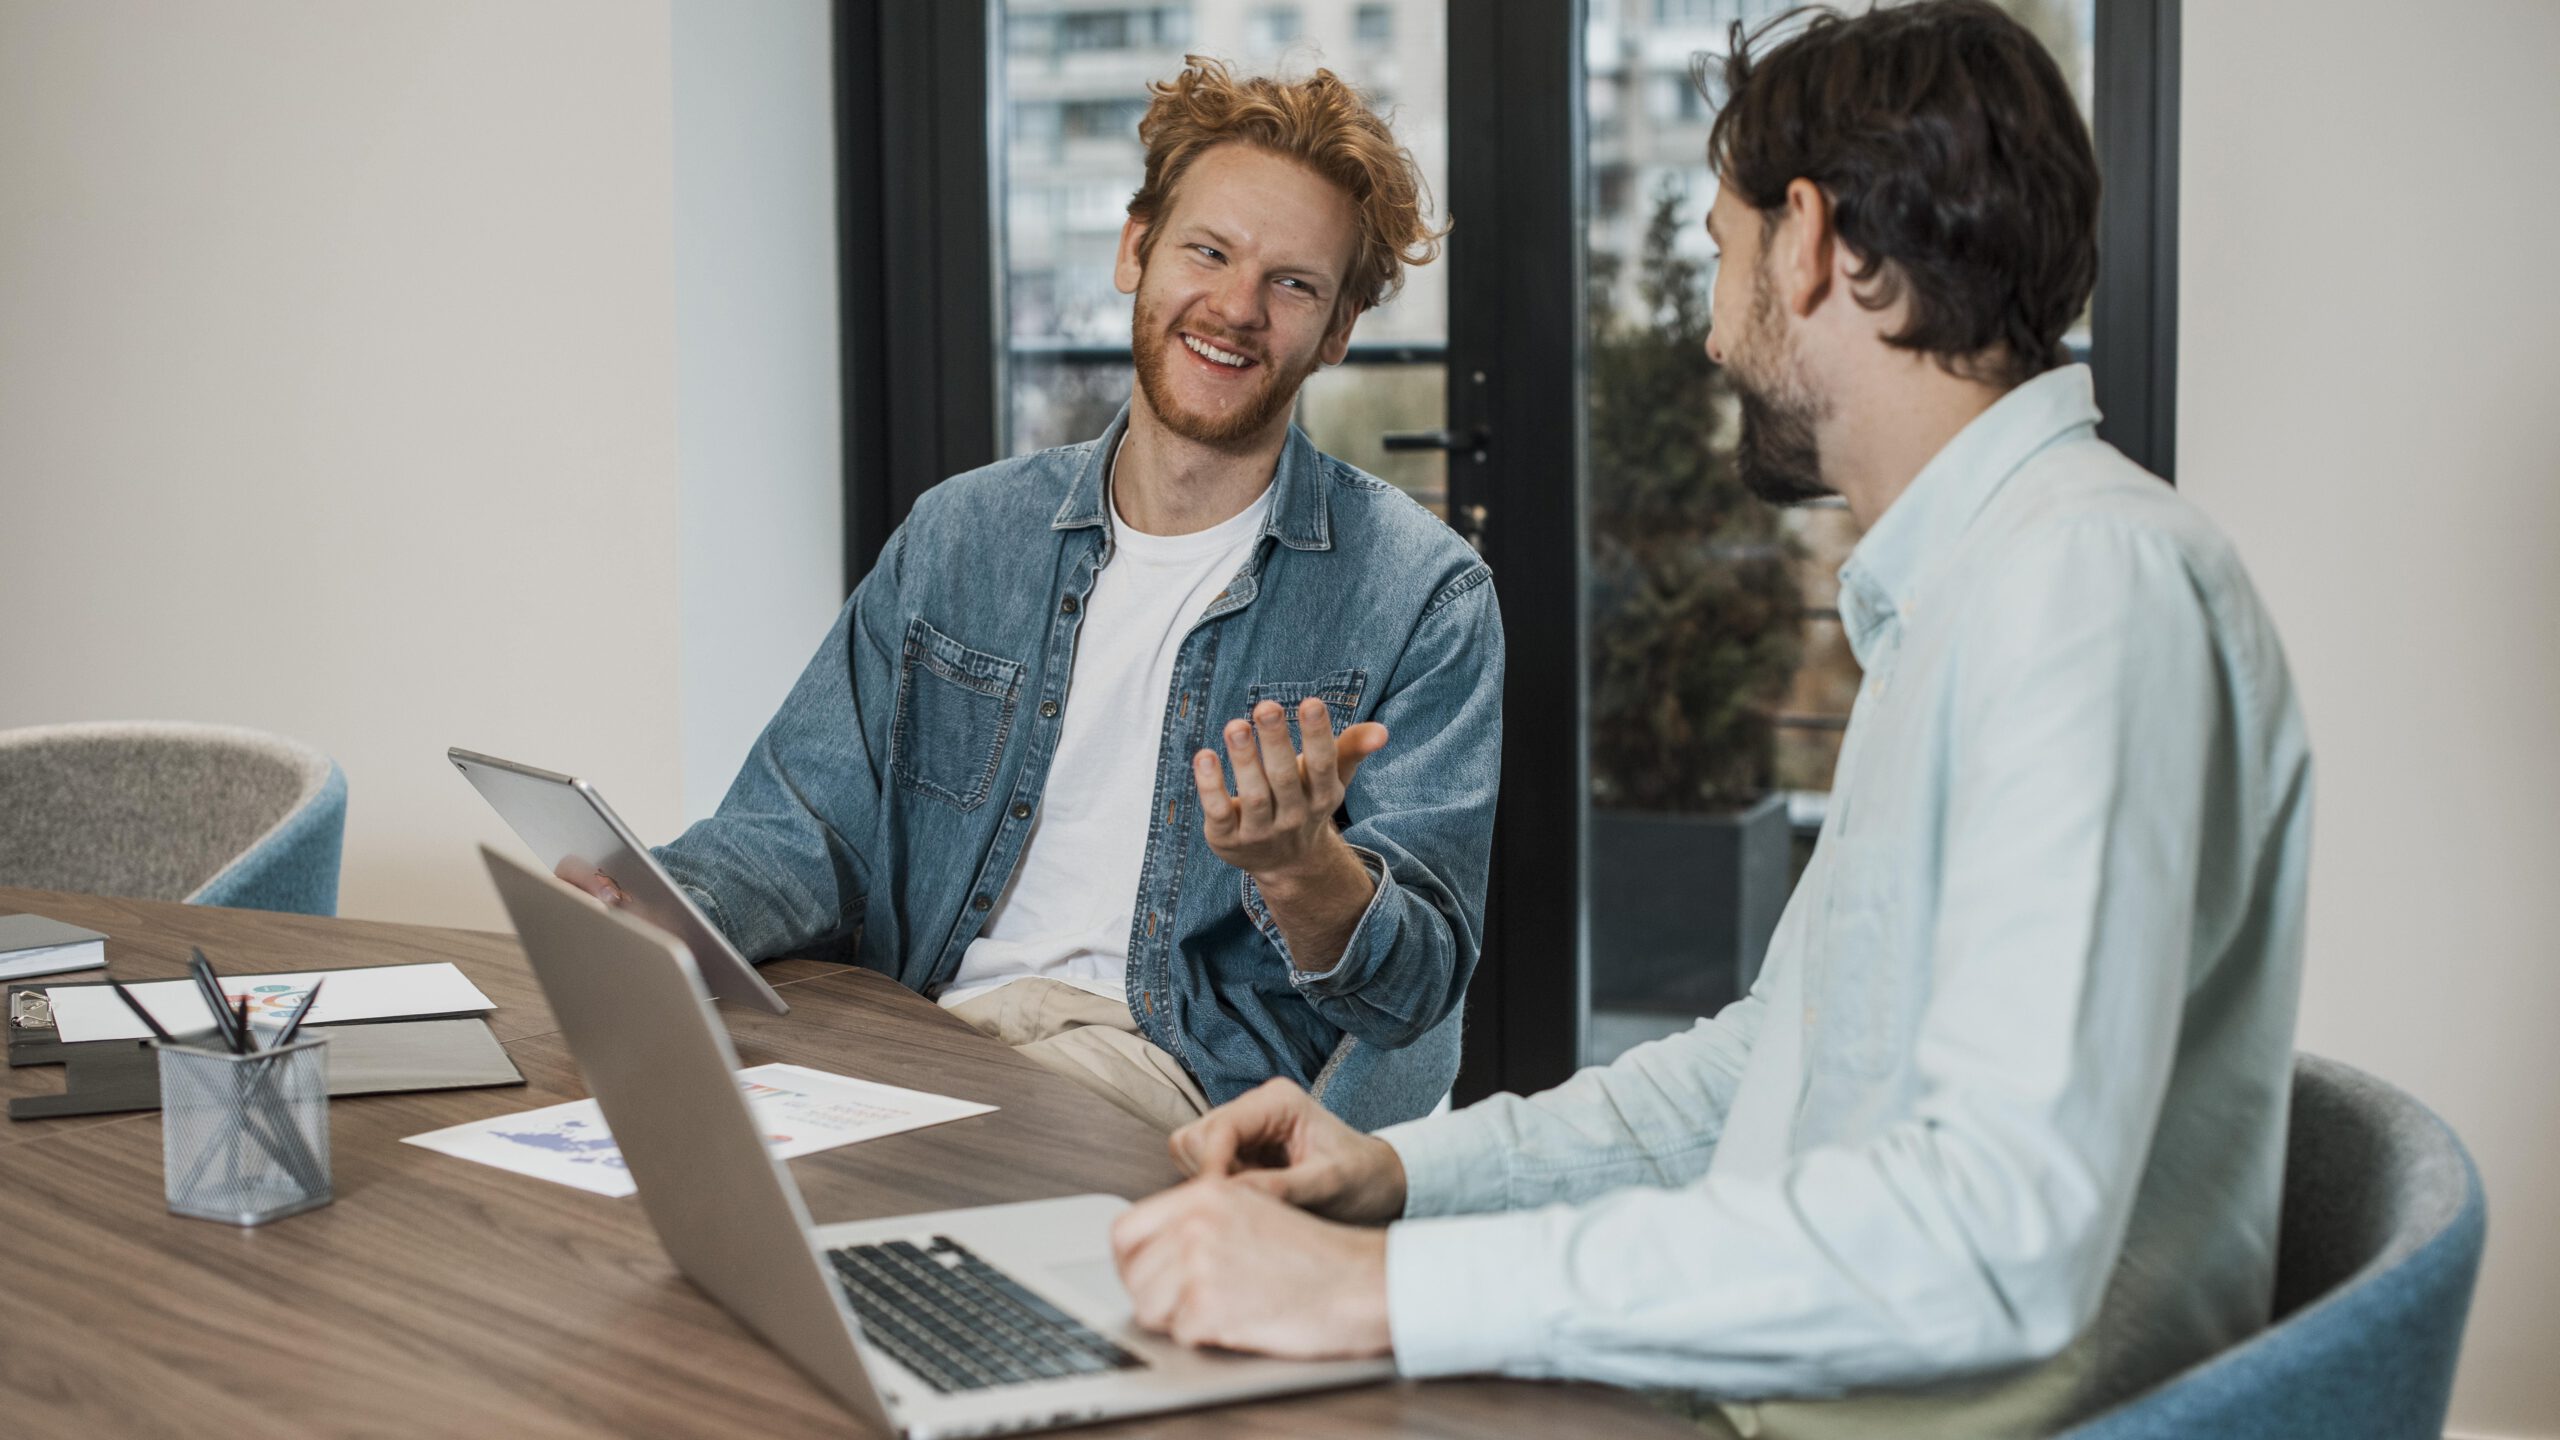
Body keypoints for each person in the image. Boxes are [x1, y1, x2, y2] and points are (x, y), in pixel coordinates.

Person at [1106, 6, 2313, 1436]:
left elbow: (1998, 1233)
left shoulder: (2085, 592)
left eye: (1723, 248)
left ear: (1809, 241)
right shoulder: (1976, 594)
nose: (1711, 331)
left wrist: (1379, 1295)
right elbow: (1767, 1070)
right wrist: (1403, 1176)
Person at [607, 59, 1497, 1138]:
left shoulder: (1423, 596)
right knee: (630, 1132)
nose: (1236, 308)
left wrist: (1303, 867)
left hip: (1162, 1075)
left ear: (1338, 328)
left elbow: (1415, 994)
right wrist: (658, 908)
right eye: (1208, 252)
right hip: (914, 1033)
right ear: (1136, 249)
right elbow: (803, 830)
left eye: (1294, 284)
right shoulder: (961, 534)